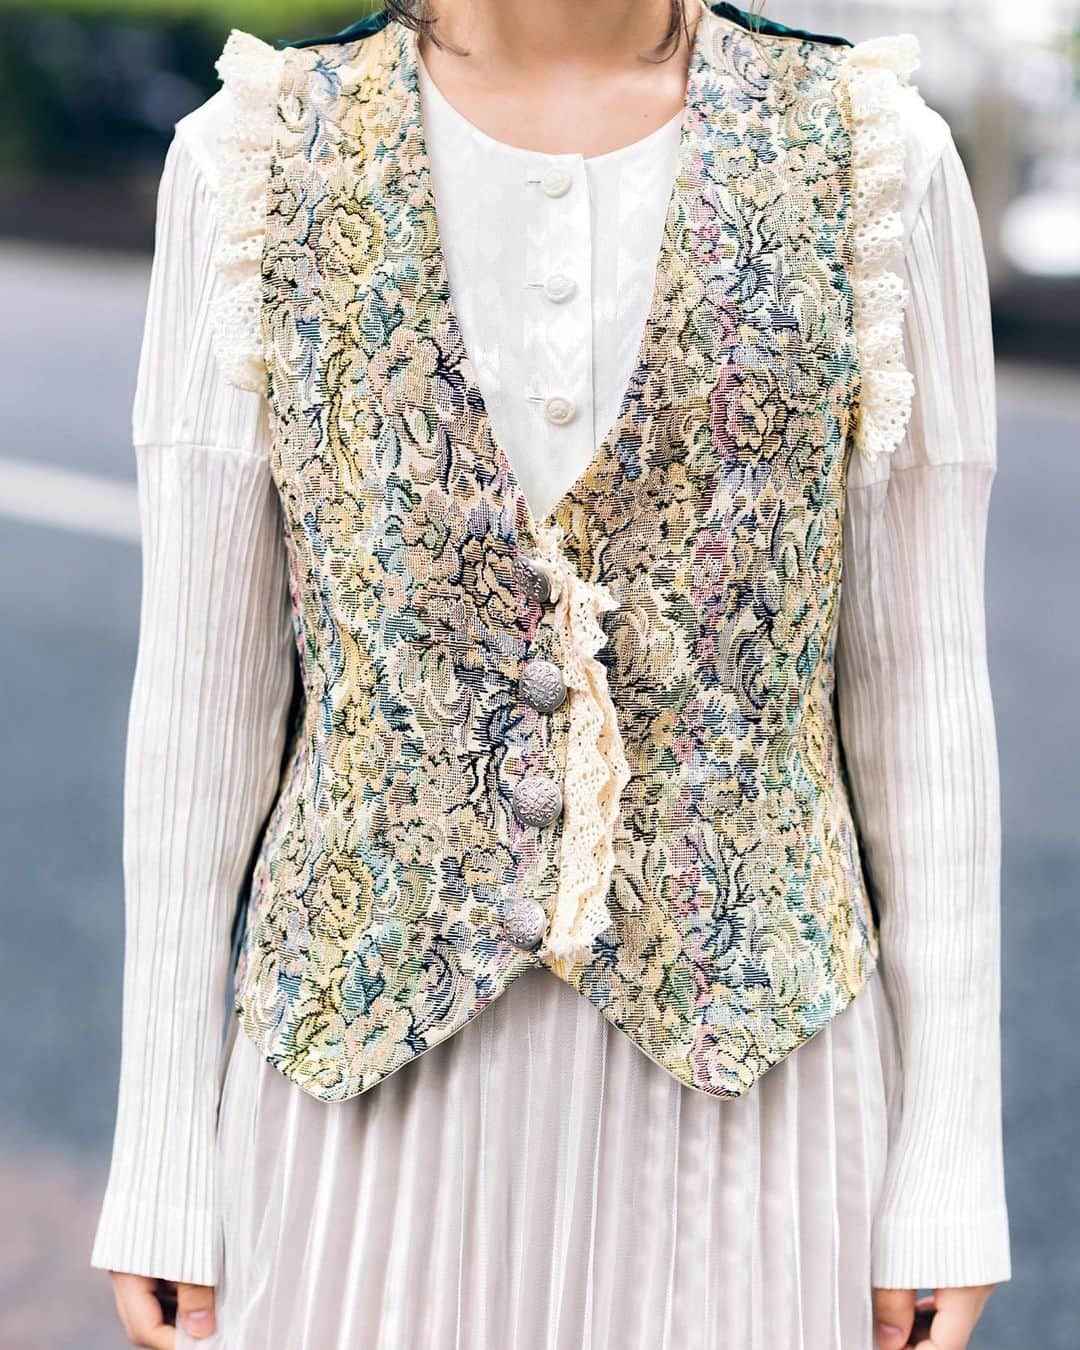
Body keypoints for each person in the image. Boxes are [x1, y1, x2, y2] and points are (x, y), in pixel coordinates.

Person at [91, 2, 1011, 1347]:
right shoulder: (253, 159)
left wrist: (949, 1165)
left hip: (755, 1108)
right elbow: (197, 705)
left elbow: (926, 693)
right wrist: (162, 1149)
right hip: (364, 1098)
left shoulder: (876, 159)